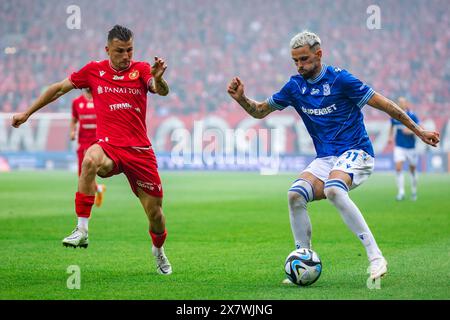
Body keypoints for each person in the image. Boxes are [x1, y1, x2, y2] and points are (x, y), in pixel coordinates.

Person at [227, 31, 440, 283]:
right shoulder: (294, 86)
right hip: (326, 158)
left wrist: (419, 131)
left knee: (334, 190)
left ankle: (376, 257)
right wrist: (241, 99)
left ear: (319, 54)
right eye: (295, 61)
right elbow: (260, 111)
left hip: (357, 151)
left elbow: (386, 105)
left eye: (304, 59)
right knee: (295, 195)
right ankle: (302, 257)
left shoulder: (341, 79)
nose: (299, 65)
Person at [12, 25, 172, 275]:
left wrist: (159, 78)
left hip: (139, 151)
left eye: (130, 50)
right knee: (89, 160)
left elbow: (159, 90)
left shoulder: (140, 69)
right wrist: (27, 113)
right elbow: (58, 89)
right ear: (107, 49)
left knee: (156, 215)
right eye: (120, 51)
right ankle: (82, 230)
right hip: (109, 146)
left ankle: (158, 251)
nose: (126, 56)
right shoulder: (94, 71)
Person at [70, 88, 106, 207]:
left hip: (97, 141)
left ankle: (86, 203)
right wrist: (72, 131)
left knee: (93, 170)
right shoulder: (77, 102)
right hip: (83, 141)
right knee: (81, 173)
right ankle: (98, 188)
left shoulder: (100, 99)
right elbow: (74, 119)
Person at [388, 97, 420, 201]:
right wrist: (390, 137)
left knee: (412, 169)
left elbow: (420, 129)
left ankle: (414, 191)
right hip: (399, 146)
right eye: (399, 102)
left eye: (403, 102)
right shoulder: (394, 115)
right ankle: (401, 192)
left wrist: (410, 131)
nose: (401, 104)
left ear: (406, 104)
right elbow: (391, 126)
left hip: (411, 147)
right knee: (398, 168)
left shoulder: (412, 116)